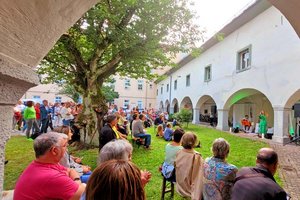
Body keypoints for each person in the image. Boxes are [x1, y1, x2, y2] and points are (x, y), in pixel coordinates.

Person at [14, 132, 85, 200]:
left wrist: (72, 178)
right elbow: (82, 194)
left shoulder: (42, 164)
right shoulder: (51, 176)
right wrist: (77, 180)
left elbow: (70, 170)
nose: (66, 148)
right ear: (54, 151)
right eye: (65, 145)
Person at [175, 132, 203, 200]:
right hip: (189, 189)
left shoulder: (179, 152)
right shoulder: (196, 156)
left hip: (179, 185)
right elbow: (198, 178)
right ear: (194, 142)